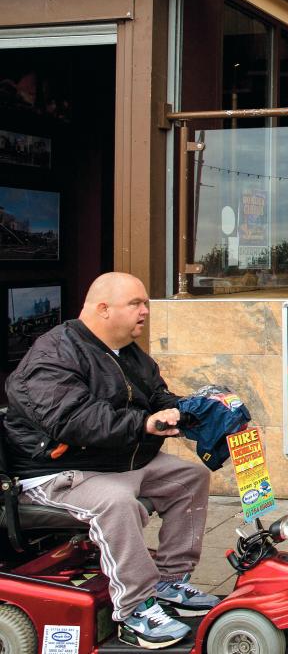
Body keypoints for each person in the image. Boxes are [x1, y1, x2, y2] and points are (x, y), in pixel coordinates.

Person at [3, 272, 218, 649]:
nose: (145, 311)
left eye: (146, 303)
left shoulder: (128, 353)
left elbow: (158, 399)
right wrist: (145, 423)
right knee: (116, 503)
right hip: (56, 472)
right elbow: (73, 420)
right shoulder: (52, 355)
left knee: (190, 478)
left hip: (113, 461)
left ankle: (169, 580)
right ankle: (135, 609)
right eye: (136, 304)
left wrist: (194, 413)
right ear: (104, 309)